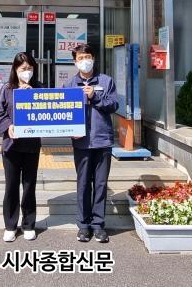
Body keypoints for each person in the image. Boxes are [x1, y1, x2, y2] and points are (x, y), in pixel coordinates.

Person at [63, 43, 118, 243]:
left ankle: (98, 225)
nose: (84, 61)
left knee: (101, 184)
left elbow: (114, 104)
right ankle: (84, 226)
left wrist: (94, 96)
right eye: (80, 58)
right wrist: (70, 130)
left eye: (87, 57)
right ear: (75, 62)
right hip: (81, 143)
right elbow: (64, 112)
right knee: (84, 184)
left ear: (93, 58)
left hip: (102, 140)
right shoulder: (69, 85)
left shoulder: (106, 81)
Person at [0, 52, 42, 242]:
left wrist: (33, 96)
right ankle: (10, 225)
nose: (26, 72)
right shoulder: (7, 89)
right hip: (11, 146)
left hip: (31, 146)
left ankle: (29, 224)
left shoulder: (39, 88)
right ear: (15, 69)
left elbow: (47, 111)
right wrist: (8, 126)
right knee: (11, 186)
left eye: (30, 68)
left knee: (29, 186)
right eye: (23, 69)